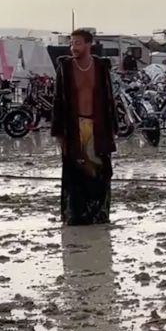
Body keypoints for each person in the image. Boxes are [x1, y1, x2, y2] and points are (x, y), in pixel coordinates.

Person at [51, 29, 117, 226]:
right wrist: (58, 133)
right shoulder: (66, 68)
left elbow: (109, 99)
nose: (73, 48)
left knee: (100, 173)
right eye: (71, 44)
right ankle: (75, 216)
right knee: (74, 173)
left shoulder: (100, 67)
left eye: (78, 43)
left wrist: (113, 128)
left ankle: (99, 215)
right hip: (73, 127)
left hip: (98, 127)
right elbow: (58, 101)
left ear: (89, 44)